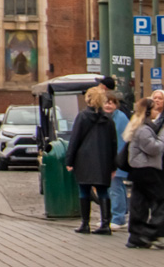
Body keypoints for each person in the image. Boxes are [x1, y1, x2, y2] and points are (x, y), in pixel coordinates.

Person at [66, 85, 118, 235]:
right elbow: (113, 143)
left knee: (84, 190)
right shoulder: (108, 119)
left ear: (88, 99)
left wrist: (69, 161)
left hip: (84, 159)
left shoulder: (82, 116)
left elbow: (75, 139)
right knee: (103, 190)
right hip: (103, 160)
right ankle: (106, 224)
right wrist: (113, 165)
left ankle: (85, 224)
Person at [124, 96, 164, 248]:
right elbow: (153, 148)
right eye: (154, 109)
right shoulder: (144, 129)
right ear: (147, 112)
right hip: (147, 169)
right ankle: (150, 232)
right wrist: (162, 137)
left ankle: (136, 236)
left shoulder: (139, 126)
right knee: (160, 201)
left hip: (139, 170)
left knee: (139, 203)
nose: (156, 112)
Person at [105, 93, 130, 230]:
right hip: (109, 159)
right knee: (112, 188)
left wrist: (116, 161)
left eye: (111, 103)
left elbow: (120, 141)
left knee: (116, 188)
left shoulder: (120, 118)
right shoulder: (107, 117)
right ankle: (112, 215)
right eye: (106, 102)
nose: (108, 105)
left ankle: (118, 217)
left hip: (117, 159)